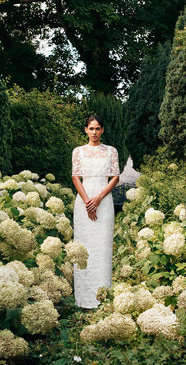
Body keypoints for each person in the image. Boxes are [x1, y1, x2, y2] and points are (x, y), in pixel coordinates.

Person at [71, 115, 120, 308]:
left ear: (103, 130)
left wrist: (98, 198)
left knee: (102, 247)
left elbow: (115, 177)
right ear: (85, 130)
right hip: (84, 202)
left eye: (98, 128)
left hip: (104, 200)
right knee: (84, 248)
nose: (94, 132)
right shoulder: (78, 151)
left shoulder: (111, 151)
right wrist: (87, 202)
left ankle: (103, 297)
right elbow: (76, 178)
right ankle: (83, 298)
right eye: (91, 128)